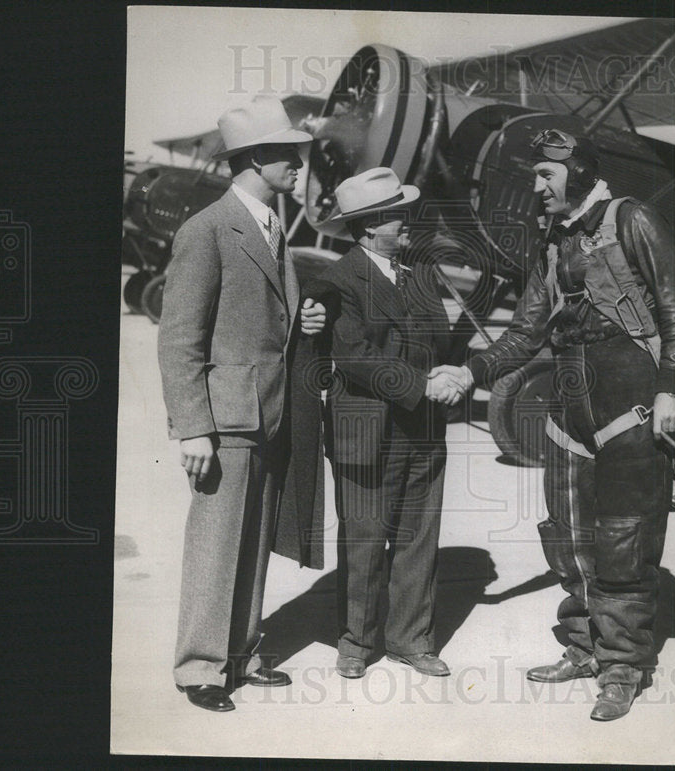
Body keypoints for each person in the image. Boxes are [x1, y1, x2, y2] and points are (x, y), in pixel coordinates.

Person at [438, 128, 675, 721]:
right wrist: (470, 370)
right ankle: (584, 646)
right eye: (535, 175)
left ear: (579, 174)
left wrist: (669, 392)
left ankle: (622, 666)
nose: (536, 186)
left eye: (546, 176)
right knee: (568, 538)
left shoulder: (632, 220)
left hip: (632, 415)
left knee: (624, 543)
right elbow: (527, 331)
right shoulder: (553, 243)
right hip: (569, 422)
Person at [158, 96, 327, 712]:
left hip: (270, 409)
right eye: (291, 156)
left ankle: (241, 653)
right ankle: (198, 666)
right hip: (227, 416)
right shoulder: (205, 230)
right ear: (259, 157)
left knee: (254, 539)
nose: (301, 168)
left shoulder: (270, 227)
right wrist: (192, 429)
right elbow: (180, 338)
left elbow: (265, 317)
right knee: (217, 539)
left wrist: (304, 320)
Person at [306, 167, 460, 680]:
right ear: (370, 226)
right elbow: (353, 355)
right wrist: (422, 385)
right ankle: (356, 641)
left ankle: (411, 639)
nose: (407, 222)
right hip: (367, 432)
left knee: (418, 538)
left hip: (423, 429)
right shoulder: (339, 279)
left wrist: (454, 374)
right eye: (397, 214)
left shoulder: (418, 273)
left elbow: (443, 339)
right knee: (365, 540)